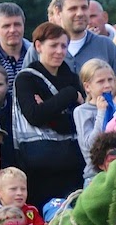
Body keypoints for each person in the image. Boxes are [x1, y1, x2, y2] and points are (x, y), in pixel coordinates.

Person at [12, 22, 86, 209]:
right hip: (40, 169)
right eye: (53, 45)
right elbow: (35, 116)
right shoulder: (26, 79)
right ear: (38, 46)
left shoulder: (71, 77)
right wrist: (68, 95)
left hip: (71, 167)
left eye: (63, 46)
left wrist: (50, 112)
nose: (59, 51)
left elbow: (78, 120)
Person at [0, 2, 30, 149]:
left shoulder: (39, 57)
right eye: (6, 26)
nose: (13, 30)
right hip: (2, 134)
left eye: (17, 24)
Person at [52, 0, 116, 77]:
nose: (80, 13)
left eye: (84, 8)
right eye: (73, 9)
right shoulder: (43, 47)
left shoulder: (106, 46)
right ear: (58, 12)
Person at [74, 60, 116, 184]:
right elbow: (89, 145)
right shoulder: (82, 111)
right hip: (95, 177)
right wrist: (101, 112)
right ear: (87, 87)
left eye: (110, 80)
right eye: (101, 81)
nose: (107, 85)